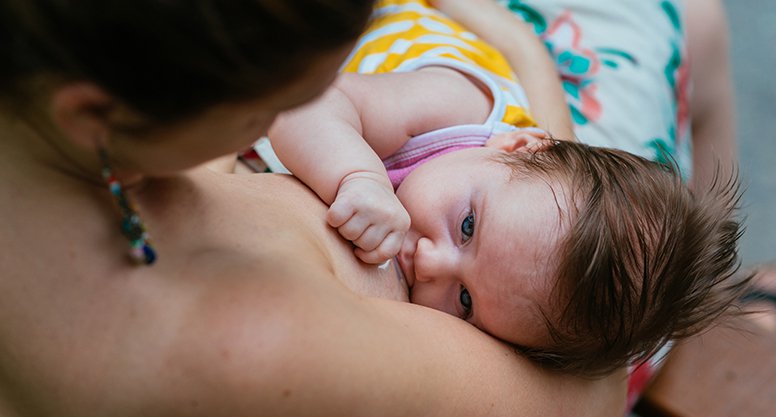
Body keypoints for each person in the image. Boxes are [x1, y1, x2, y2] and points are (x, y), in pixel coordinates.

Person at [0, 1, 627, 416]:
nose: (275, 126)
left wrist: (522, 59)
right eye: (261, 110)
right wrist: (528, 52)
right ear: (95, 115)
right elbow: (596, 388)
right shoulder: (237, 340)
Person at [267, 0, 747, 376]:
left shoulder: (503, 221)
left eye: (466, 301)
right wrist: (357, 176)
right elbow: (298, 110)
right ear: (517, 145)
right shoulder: (451, 104)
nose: (430, 264)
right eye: (468, 226)